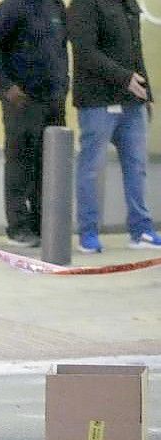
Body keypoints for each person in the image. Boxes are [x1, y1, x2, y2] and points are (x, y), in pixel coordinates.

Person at [68, 0, 161, 252]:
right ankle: (88, 232)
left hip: (133, 101)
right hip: (97, 101)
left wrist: (146, 95)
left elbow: (135, 50)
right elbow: (85, 51)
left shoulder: (128, 3)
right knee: (91, 168)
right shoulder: (84, 5)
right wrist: (124, 78)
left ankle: (141, 230)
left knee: (137, 166)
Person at [0, 0, 68, 248]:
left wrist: (64, 83)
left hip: (53, 100)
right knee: (20, 165)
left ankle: (40, 224)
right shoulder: (12, 6)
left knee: (46, 165)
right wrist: (6, 86)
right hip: (22, 100)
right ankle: (18, 227)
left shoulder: (56, 6)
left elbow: (60, 48)